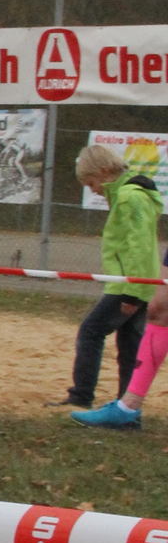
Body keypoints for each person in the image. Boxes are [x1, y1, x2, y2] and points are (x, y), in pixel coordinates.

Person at [67, 144, 163, 426]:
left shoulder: (129, 197)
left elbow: (140, 247)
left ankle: (81, 395)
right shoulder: (130, 194)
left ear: (104, 171)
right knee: (130, 345)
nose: (93, 190)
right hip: (138, 282)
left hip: (130, 285)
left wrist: (132, 293)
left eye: (92, 183)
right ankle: (126, 408)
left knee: (91, 331)